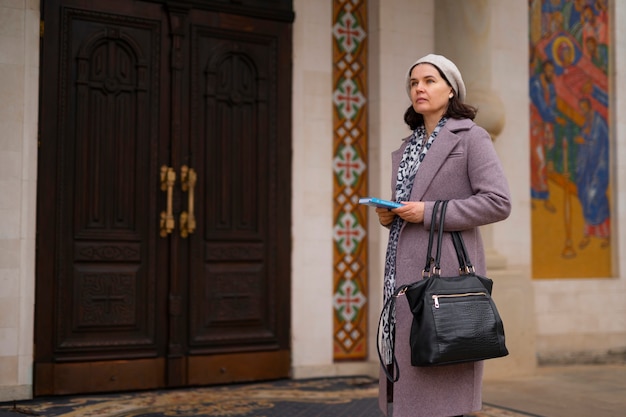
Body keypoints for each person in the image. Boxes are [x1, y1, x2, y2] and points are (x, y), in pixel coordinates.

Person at [375, 54, 511, 417]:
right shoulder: (407, 147)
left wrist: (429, 211)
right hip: (401, 272)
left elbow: (498, 202)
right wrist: (390, 214)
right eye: (413, 83)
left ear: (451, 89)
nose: (419, 88)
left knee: (440, 380)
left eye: (429, 81)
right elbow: (412, 205)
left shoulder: (471, 137)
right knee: (407, 373)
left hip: (445, 275)